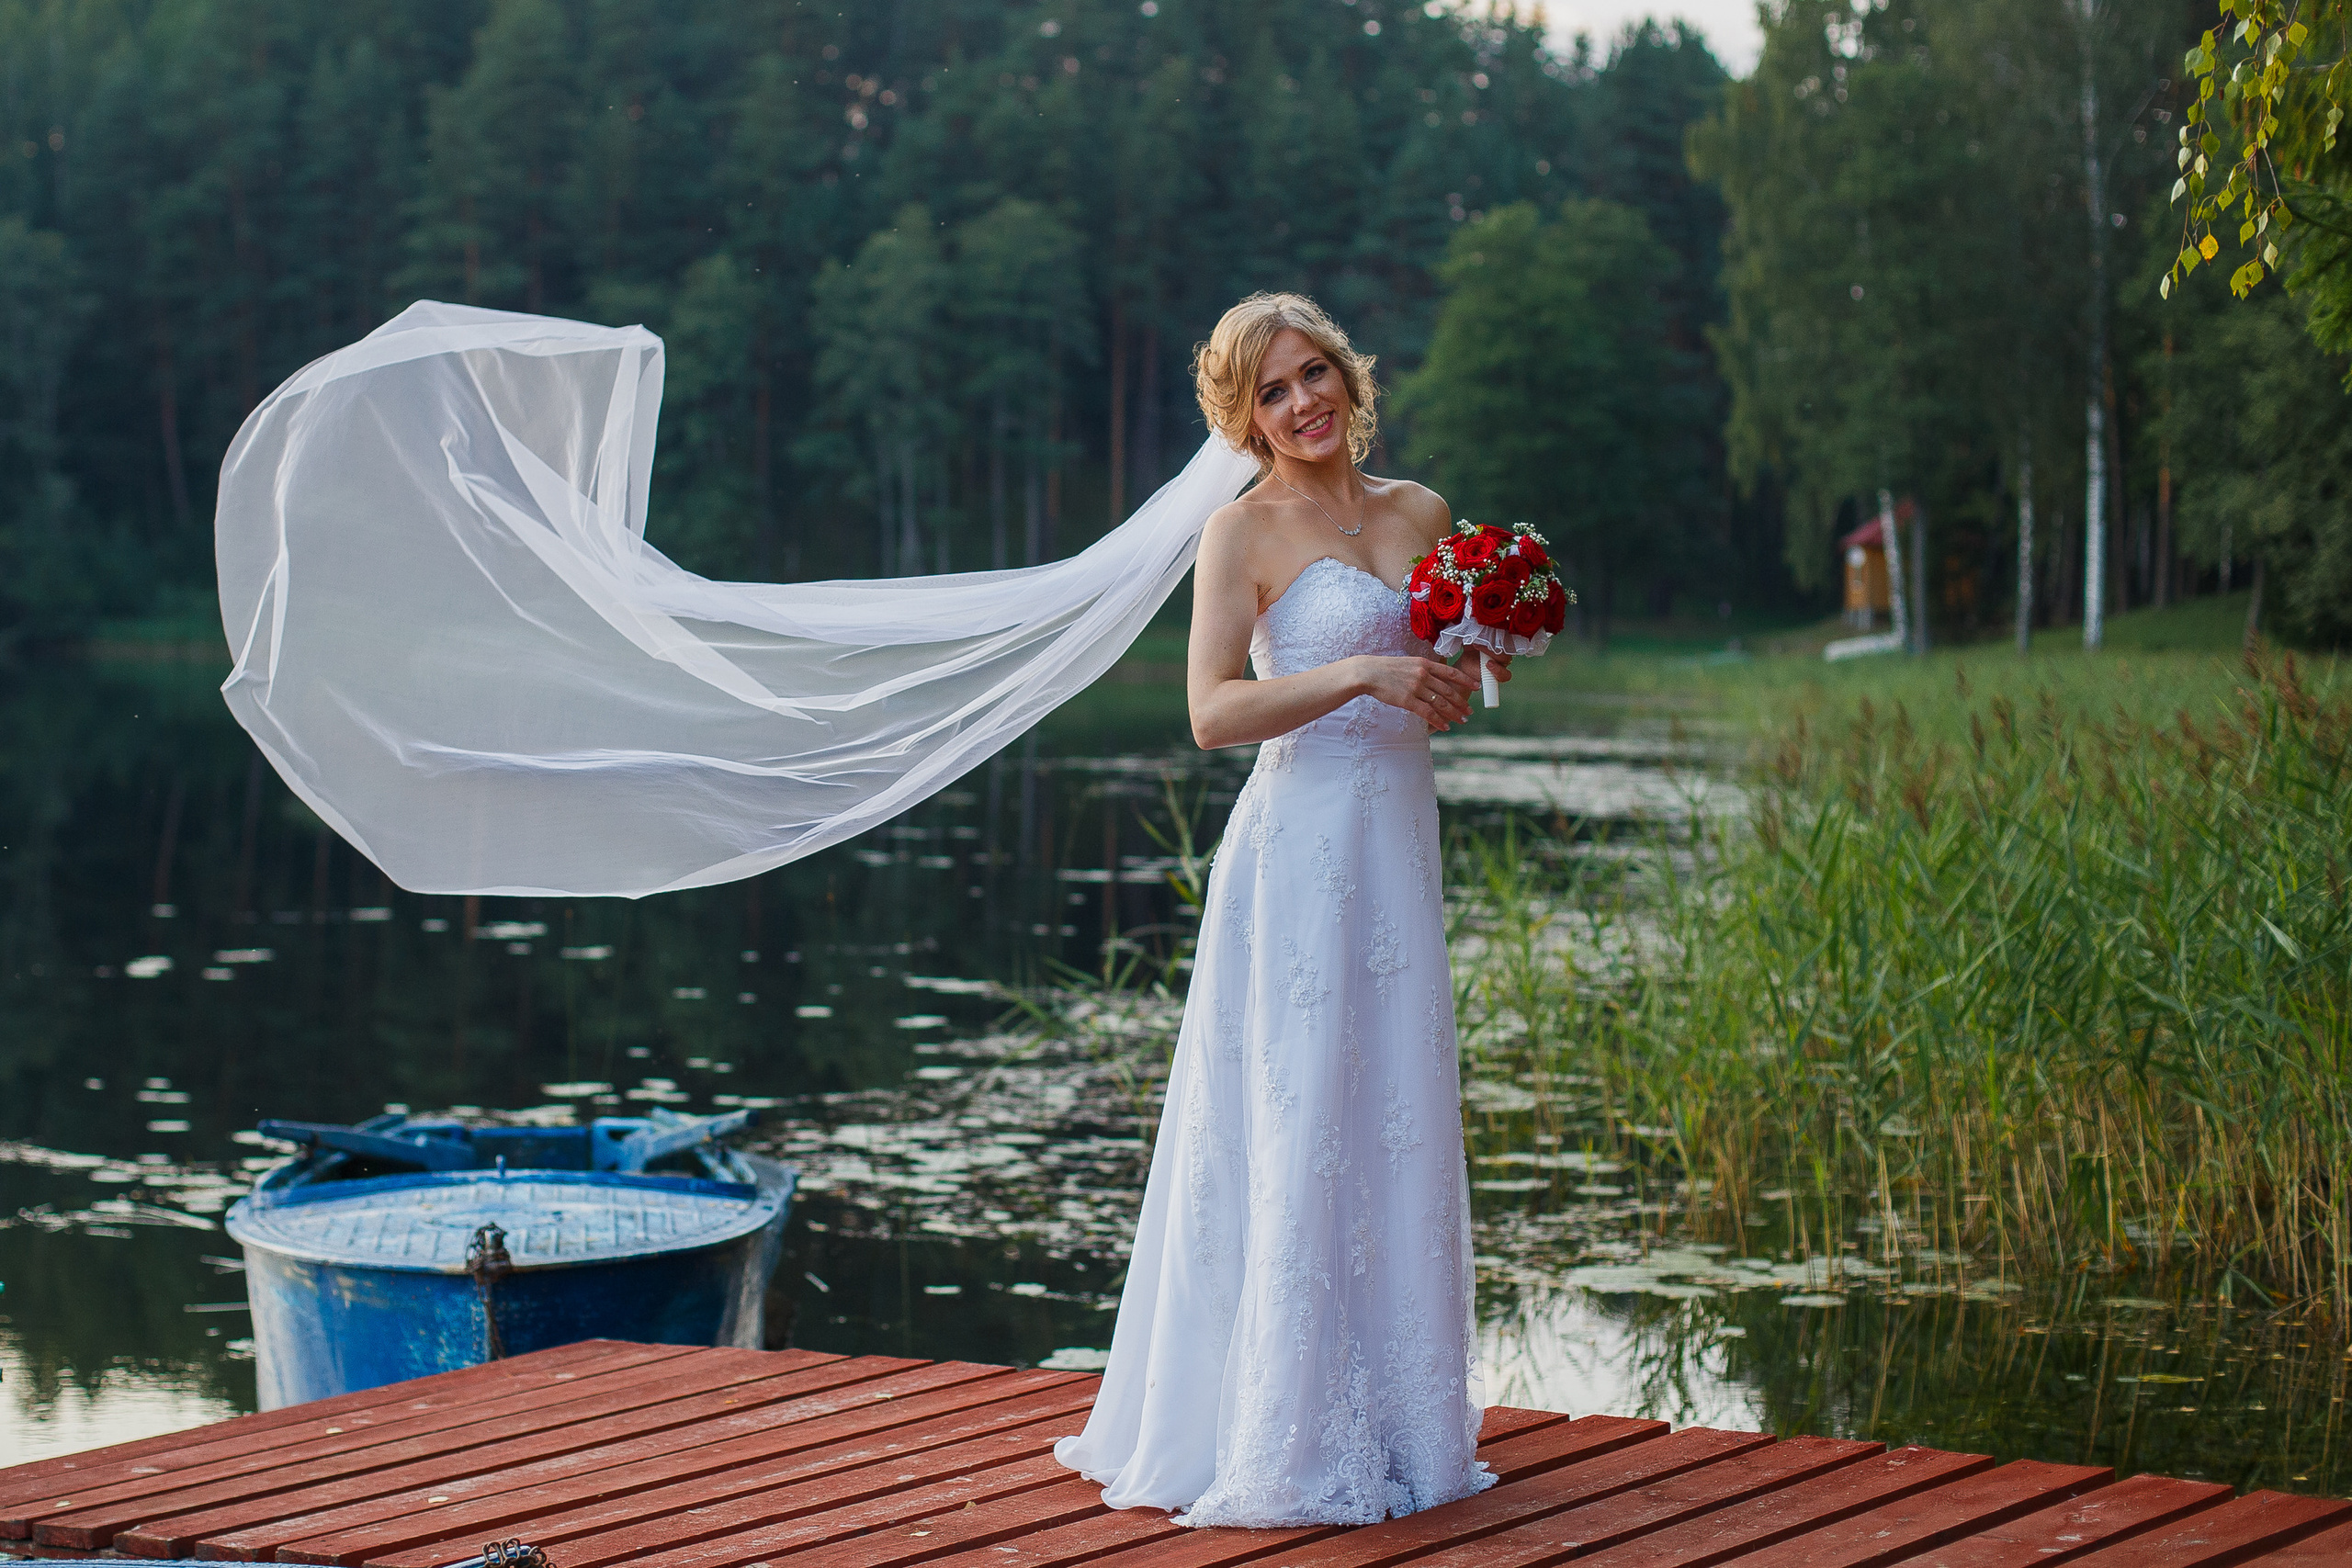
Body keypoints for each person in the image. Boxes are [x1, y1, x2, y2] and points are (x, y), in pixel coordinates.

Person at [1052, 292, 1505, 1528]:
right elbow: (1211, 713)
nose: (1302, 402)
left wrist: (1476, 659)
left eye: (1314, 373)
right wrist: (1357, 670)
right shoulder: (1239, 533)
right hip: (1298, 851)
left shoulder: (1421, 513)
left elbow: (1439, 668)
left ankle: (1404, 1422)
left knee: (1393, 1109)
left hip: (1396, 846)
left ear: (1348, 377)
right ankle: (1280, 1427)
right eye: (1272, 390)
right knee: (1298, 1107)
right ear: (1244, 416)